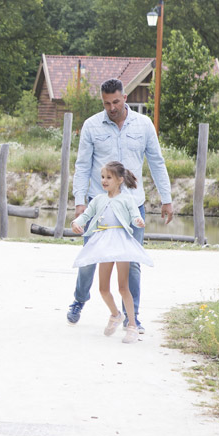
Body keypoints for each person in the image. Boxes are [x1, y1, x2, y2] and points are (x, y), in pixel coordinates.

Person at [66, 78, 173, 334]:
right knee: (90, 259)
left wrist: (166, 198)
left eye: (115, 101)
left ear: (125, 97)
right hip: (99, 204)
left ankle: (131, 316)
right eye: (106, 103)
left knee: (132, 263)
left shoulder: (144, 124)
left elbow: (156, 162)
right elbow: (82, 165)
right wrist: (80, 202)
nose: (111, 107)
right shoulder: (92, 125)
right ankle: (80, 300)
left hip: (132, 205)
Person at [71, 161, 153, 344]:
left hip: (120, 243)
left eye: (109, 177)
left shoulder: (127, 199)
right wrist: (77, 223)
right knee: (103, 288)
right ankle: (115, 314)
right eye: (102, 177)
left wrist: (139, 221)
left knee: (123, 287)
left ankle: (131, 324)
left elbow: (134, 215)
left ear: (120, 180)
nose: (104, 181)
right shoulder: (99, 199)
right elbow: (86, 215)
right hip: (103, 242)